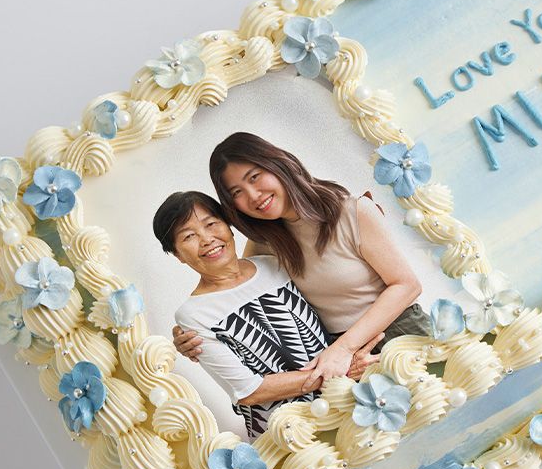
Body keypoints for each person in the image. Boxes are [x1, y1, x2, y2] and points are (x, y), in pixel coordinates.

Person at [172, 132, 430, 381]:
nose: (253, 196)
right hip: (341, 359)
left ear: (278, 165)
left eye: (254, 177)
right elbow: (233, 288)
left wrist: (343, 348)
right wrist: (195, 337)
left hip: (398, 333)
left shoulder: (353, 211)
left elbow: (407, 285)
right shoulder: (266, 241)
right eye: (237, 192)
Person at [152, 190, 377, 437]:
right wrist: (339, 370)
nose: (206, 239)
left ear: (228, 225)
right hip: (287, 433)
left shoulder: (273, 263)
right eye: (189, 236)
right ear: (177, 255)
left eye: (211, 224)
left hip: (345, 402)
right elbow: (250, 391)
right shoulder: (194, 315)